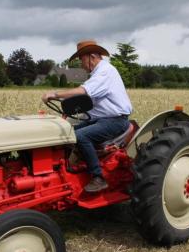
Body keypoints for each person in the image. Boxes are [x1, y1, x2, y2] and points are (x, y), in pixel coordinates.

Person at [42, 40, 132, 192]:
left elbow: (83, 91)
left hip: (115, 120)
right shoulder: (97, 74)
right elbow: (86, 99)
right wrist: (67, 106)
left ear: (91, 56)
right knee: (67, 132)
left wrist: (54, 94)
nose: (81, 64)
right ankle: (64, 169)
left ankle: (98, 177)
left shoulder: (105, 71)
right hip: (101, 119)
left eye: (81, 60)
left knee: (80, 136)